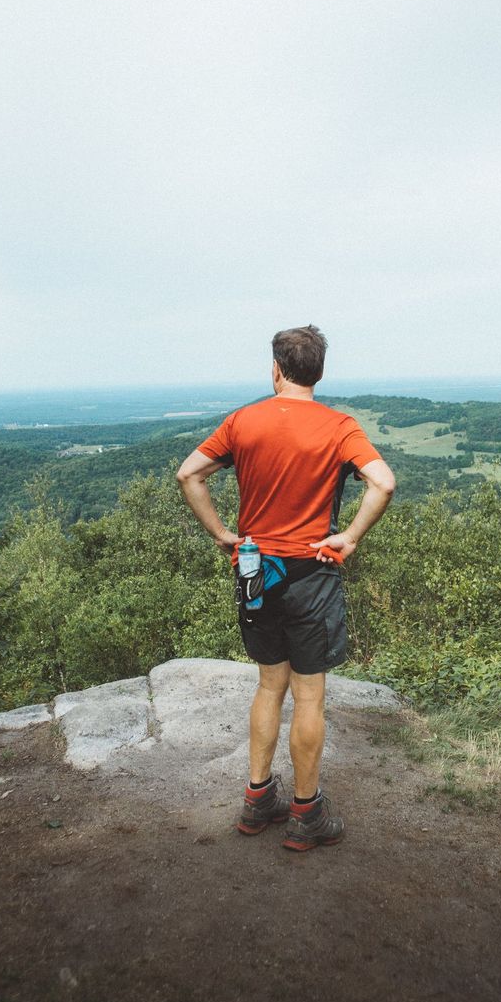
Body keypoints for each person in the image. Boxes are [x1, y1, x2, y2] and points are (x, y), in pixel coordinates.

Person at [176, 325, 395, 851]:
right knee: (309, 694)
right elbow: (383, 482)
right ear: (318, 371)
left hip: (255, 572)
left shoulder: (243, 421)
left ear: (276, 368)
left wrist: (225, 536)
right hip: (311, 575)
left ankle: (257, 801)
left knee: (268, 686)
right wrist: (349, 537)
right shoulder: (340, 426)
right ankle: (306, 814)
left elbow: (189, 475)